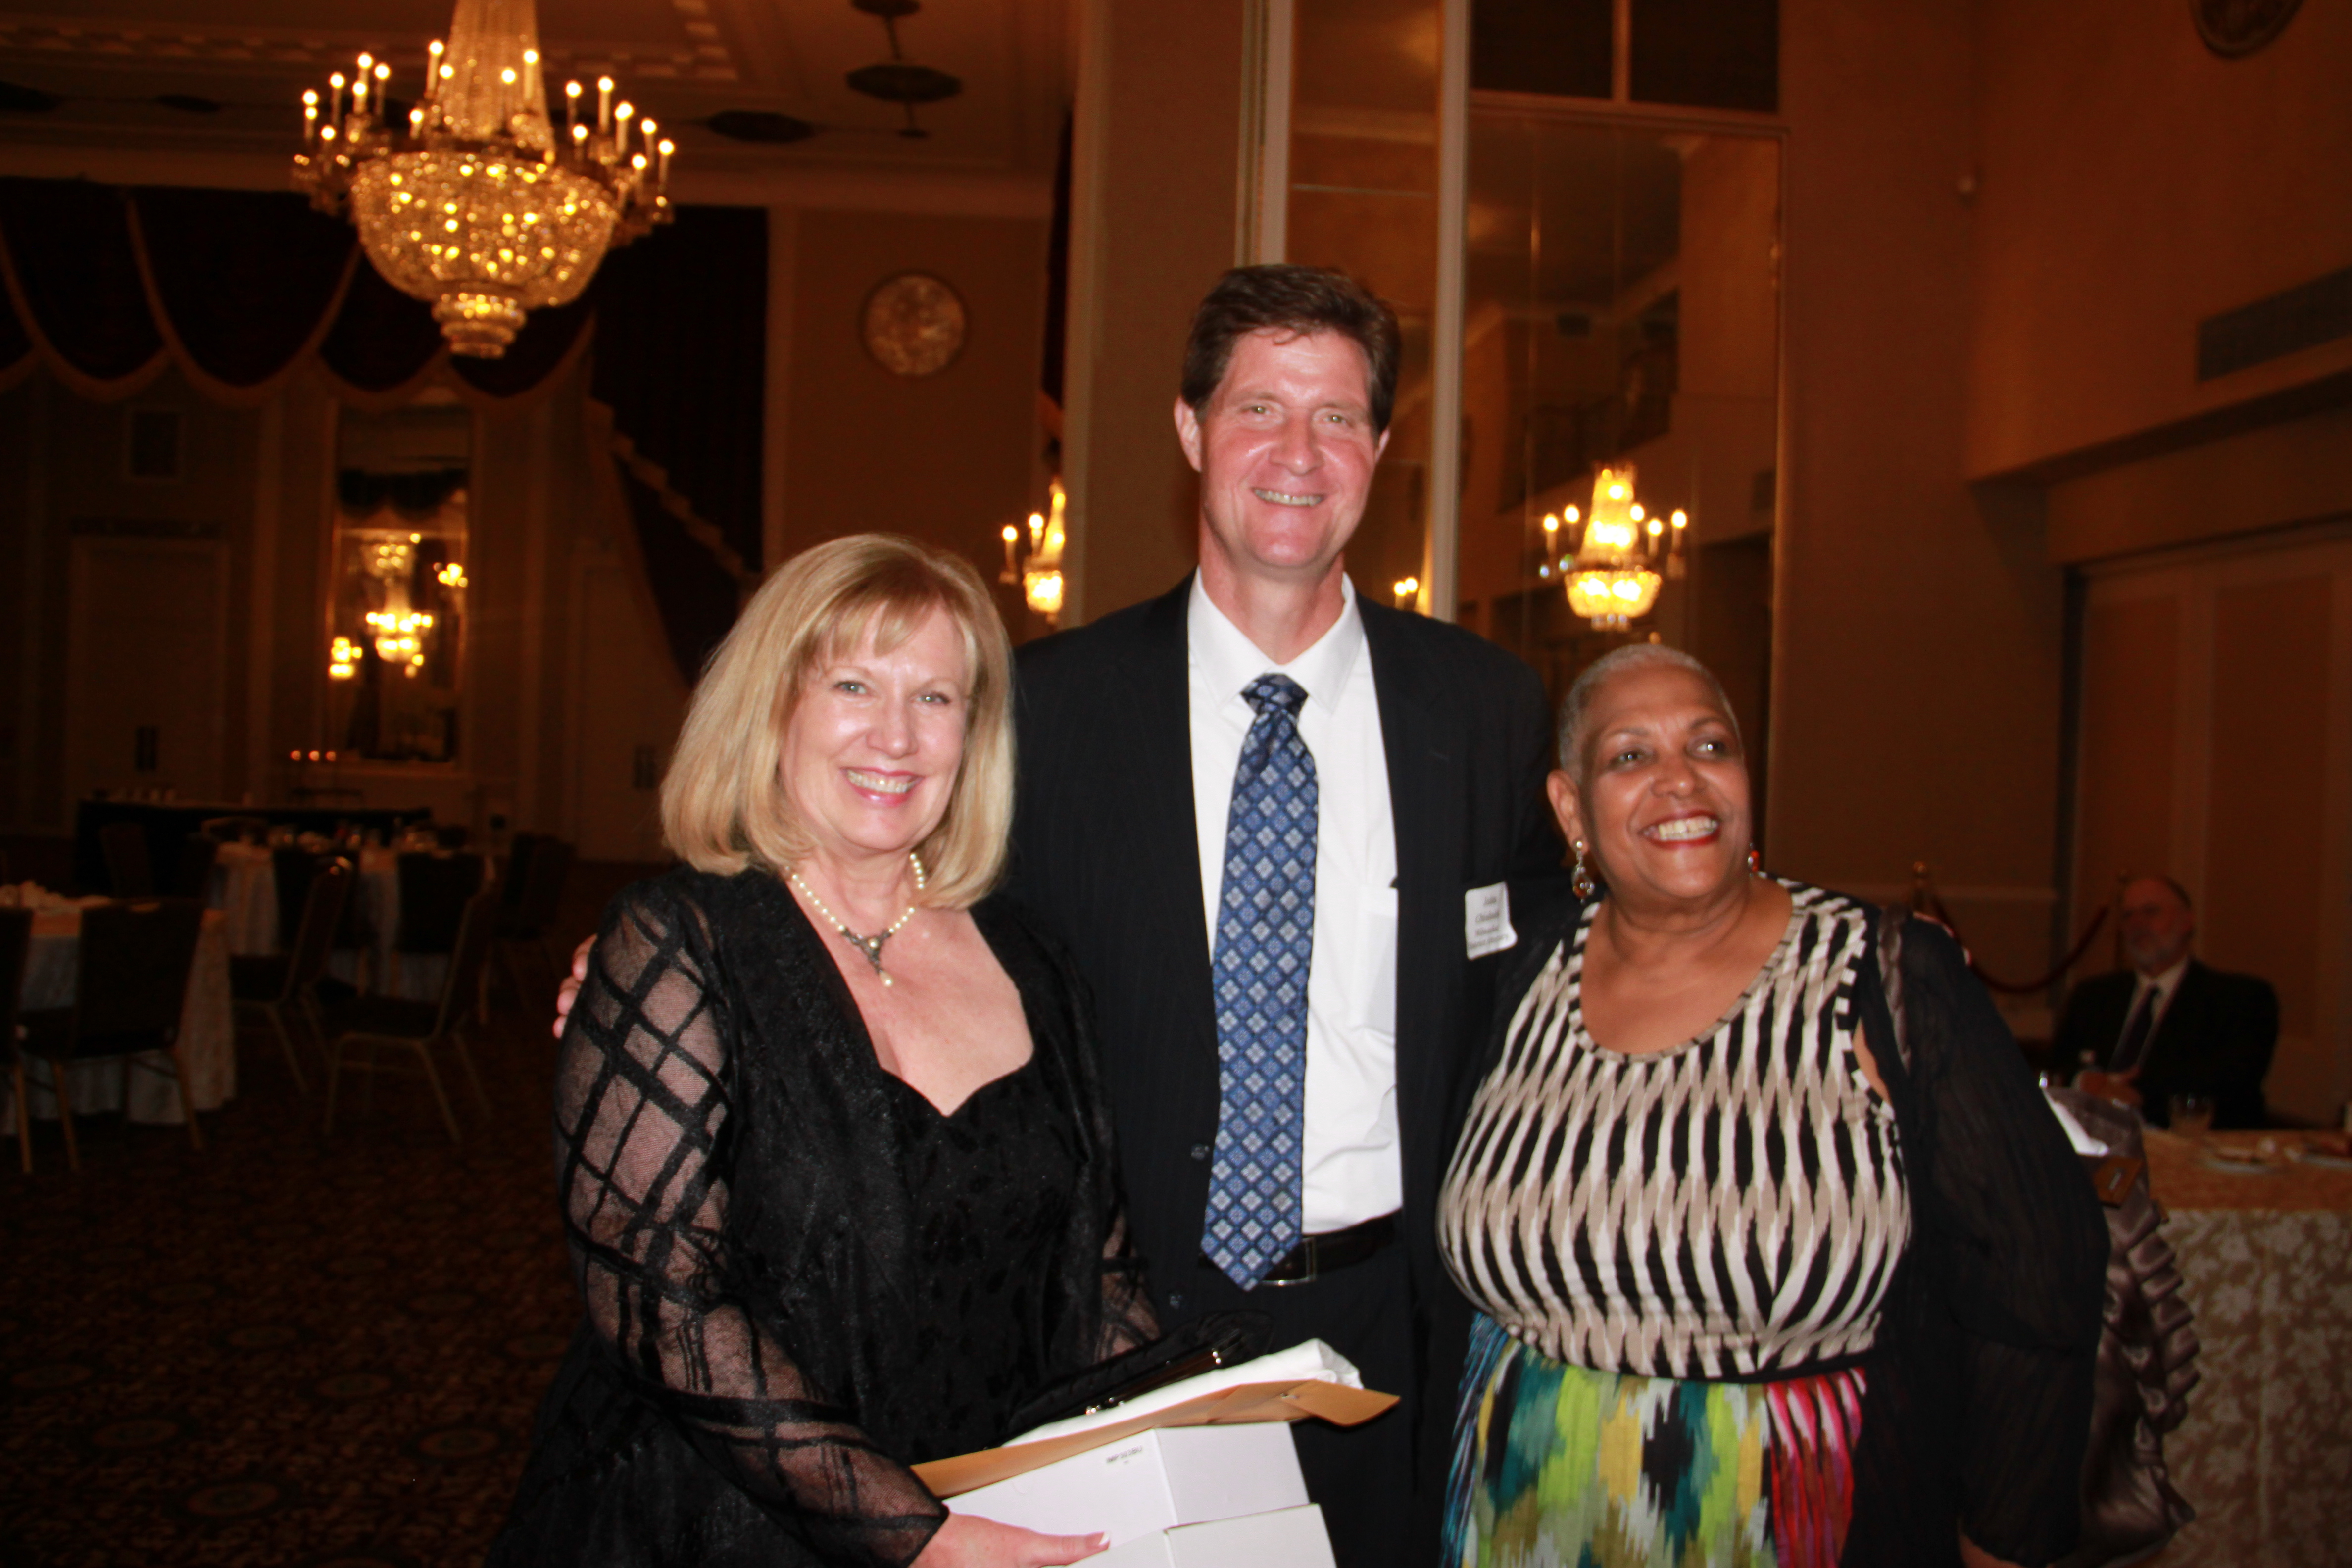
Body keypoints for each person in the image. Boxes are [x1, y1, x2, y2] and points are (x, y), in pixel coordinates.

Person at [1006, 264, 1562, 1567]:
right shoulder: (1049, 712)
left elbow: (1565, 963)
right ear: (1193, 432)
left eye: (1336, 417)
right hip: (1125, 1317)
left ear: (1377, 448)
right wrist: (719, 960)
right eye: (1260, 409)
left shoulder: (1486, 711)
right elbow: (922, 926)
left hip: (1394, 1316)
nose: (1297, 454)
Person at [495, 535, 1157, 1568]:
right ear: (772, 707)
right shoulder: (678, 944)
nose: (897, 735)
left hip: (991, 1523)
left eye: (937, 698)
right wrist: (911, 1535)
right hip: (717, 1530)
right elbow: (663, 1308)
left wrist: (1177, 1452)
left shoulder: (1034, 960)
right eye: (854, 685)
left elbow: (1100, 1275)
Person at [1437, 644, 2108, 1568]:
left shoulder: (1886, 976)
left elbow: (2037, 1274)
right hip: (1522, 1509)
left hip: (1799, 1512)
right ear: (1569, 807)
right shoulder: (1526, 975)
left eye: (1709, 746)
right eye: (1630, 756)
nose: (1680, 781)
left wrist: (2002, 1538)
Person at [2050, 875, 2276, 1130]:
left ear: (2187, 922)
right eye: (2128, 916)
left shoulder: (2238, 999)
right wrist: (2085, 1081)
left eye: (2151, 912)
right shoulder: (2093, 996)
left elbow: (2232, 1082)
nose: (2138, 924)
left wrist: (2132, 1092)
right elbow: (2057, 1066)